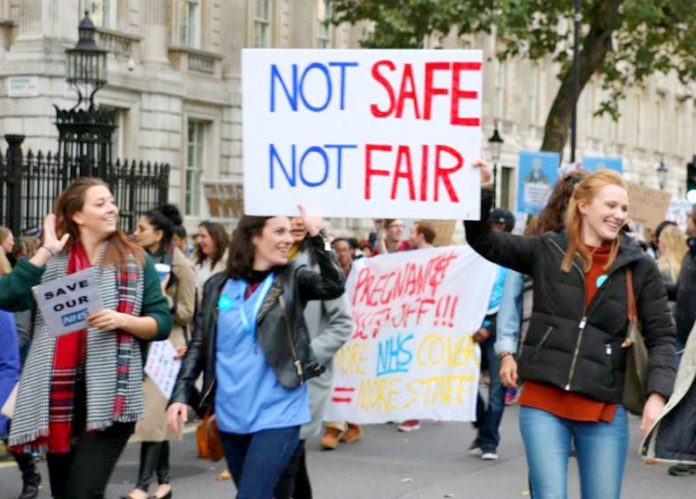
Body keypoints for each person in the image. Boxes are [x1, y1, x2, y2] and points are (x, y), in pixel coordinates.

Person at [465, 163, 676, 499]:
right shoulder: (547, 249)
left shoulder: (640, 267)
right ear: (583, 206)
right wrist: (483, 191)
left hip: (604, 410)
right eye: (610, 205)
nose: (619, 214)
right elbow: (485, 242)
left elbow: (662, 338)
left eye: (623, 208)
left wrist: (657, 395)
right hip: (543, 406)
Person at [0, 177, 172, 499]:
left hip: (112, 396)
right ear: (78, 215)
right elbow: (6, 297)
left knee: (83, 493)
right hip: (58, 398)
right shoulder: (54, 262)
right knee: (66, 494)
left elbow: (161, 322)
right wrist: (46, 252)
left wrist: (123, 320)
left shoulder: (136, 259)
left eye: (111, 201)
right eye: (101, 203)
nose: (112, 209)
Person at [167, 208, 345, 499]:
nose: (288, 239)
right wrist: (180, 394)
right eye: (279, 231)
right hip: (231, 415)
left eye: (291, 231)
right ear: (253, 238)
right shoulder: (217, 286)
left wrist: (318, 236)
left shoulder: (293, 279)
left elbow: (333, 284)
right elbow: (200, 344)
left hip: (280, 413)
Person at [275, 219, 352, 498]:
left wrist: (304, 357)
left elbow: (343, 324)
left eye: (300, 220)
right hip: (268, 378)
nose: (294, 225)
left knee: (288, 453)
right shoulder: (267, 262)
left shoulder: (319, 266)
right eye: (287, 218)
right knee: (288, 461)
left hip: (305, 377)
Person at [124, 205, 196, 499]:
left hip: (168, 347)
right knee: (156, 420)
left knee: (153, 418)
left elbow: (189, 312)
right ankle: (164, 483)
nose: (136, 233)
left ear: (159, 233)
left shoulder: (181, 266)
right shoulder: (139, 259)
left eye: (142, 228)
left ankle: (142, 486)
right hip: (141, 340)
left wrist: (163, 296)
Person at [468, 209, 514, 461]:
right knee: (465, 384)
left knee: (496, 390)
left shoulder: (512, 260)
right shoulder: (473, 256)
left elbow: (513, 301)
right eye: (492, 224)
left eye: (500, 225)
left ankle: (489, 441)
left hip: (496, 330)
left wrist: (491, 327)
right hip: (472, 327)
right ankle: (483, 426)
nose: (496, 229)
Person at [193, 221, 229, 291]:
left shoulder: (228, 263)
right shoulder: (197, 261)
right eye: (198, 236)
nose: (199, 240)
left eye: (203, 236)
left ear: (216, 238)